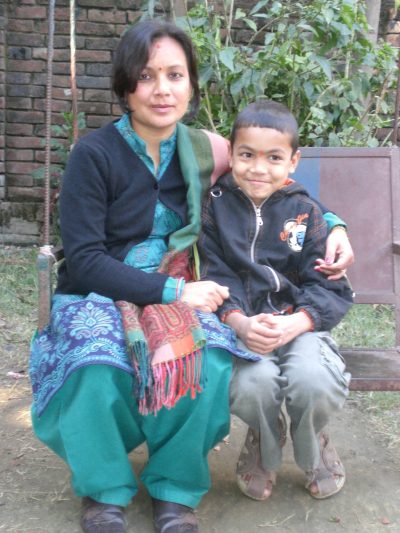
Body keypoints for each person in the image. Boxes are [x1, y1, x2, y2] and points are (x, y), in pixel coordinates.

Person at [28, 20, 354, 533]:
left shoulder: (209, 149)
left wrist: (335, 225)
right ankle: (104, 490)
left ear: (191, 85)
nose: (162, 89)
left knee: (209, 360)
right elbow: (85, 259)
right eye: (146, 75)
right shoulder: (93, 155)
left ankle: (175, 489)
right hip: (101, 289)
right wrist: (174, 290)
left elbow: (279, 182)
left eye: (175, 75)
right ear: (125, 86)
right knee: (93, 365)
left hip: (188, 287)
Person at [198, 100, 353, 503]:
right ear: (230, 153)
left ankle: (313, 440)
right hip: (244, 326)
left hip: (301, 324)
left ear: (293, 161)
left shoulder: (306, 213)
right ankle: (265, 442)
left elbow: (330, 287)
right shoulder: (214, 206)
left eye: (274, 158)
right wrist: (239, 321)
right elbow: (215, 275)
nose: (259, 168)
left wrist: (299, 321)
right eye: (247, 155)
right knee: (253, 385)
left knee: (313, 380)